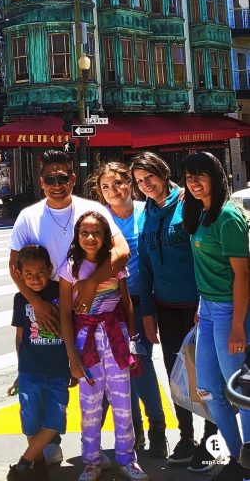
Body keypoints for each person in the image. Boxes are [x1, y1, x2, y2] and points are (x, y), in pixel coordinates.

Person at [9, 149, 130, 467]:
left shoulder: (91, 209)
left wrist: (91, 284)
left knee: (97, 382)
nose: (57, 183)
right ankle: (46, 444)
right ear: (41, 181)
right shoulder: (29, 217)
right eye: (50, 178)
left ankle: (101, 449)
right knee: (51, 375)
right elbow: (14, 266)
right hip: (50, 309)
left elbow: (122, 250)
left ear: (73, 178)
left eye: (63, 177)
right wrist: (35, 301)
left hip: (96, 311)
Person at [132, 151, 216, 470]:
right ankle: (186, 435)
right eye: (139, 181)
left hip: (197, 307)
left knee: (204, 376)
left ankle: (209, 438)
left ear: (163, 172)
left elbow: (205, 255)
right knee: (176, 376)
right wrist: (149, 314)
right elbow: (147, 269)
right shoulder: (147, 213)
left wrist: (205, 302)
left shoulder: (187, 203)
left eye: (149, 177)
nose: (145, 185)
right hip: (165, 309)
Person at [59, 211, 147, 481]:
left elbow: (126, 302)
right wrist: (72, 357)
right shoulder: (70, 267)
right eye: (84, 232)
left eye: (96, 232)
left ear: (105, 236)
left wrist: (132, 341)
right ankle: (91, 460)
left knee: (122, 400)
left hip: (115, 336)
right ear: (76, 236)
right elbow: (64, 313)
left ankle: (127, 459)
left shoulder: (114, 265)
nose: (90, 237)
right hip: (86, 340)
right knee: (90, 404)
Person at [183, 151, 250, 481]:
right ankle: (239, 456)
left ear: (216, 176)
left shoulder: (227, 217)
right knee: (209, 388)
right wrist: (200, 307)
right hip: (207, 310)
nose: (194, 182)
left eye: (201, 175)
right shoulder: (201, 213)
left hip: (228, 312)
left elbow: (243, 275)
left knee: (241, 390)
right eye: (189, 176)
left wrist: (238, 325)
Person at [92, 161, 167, 458]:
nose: (113, 191)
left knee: (142, 364)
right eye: (106, 187)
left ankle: (157, 428)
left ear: (130, 183)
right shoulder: (99, 219)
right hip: (111, 304)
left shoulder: (145, 210)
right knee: (121, 371)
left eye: (119, 184)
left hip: (143, 301)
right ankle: (135, 434)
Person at [7, 245, 70, 480]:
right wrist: (19, 369)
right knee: (31, 421)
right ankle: (38, 462)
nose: (35, 279)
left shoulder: (60, 292)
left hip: (58, 371)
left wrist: (72, 363)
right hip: (30, 371)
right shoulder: (19, 298)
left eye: (41, 272)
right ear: (21, 276)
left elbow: (69, 330)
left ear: (50, 269)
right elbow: (20, 336)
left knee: (55, 420)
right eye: (29, 275)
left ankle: (24, 462)